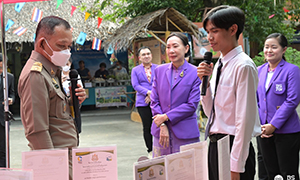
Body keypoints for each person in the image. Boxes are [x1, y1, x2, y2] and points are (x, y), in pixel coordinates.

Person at [18, 16, 86, 179]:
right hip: (55, 162)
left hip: (66, 157)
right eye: (61, 46)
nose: (66, 52)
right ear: (42, 43)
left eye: (68, 46)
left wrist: (73, 103)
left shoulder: (51, 71)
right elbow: (37, 131)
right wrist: (55, 170)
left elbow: (55, 114)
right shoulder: (36, 75)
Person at [197, 5, 261, 180]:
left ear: (233, 29)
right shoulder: (219, 63)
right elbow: (212, 113)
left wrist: (236, 165)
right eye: (208, 32)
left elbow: (244, 120)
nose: (209, 37)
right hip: (215, 144)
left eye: (214, 31)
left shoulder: (243, 66)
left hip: (233, 146)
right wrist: (206, 84)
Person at [257, 33, 300, 180]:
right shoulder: (259, 71)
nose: (269, 50)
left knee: (287, 173)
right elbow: (255, 100)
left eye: (274, 47)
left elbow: (292, 100)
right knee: (267, 173)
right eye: (266, 47)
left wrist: (273, 125)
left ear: (284, 49)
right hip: (263, 131)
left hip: (286, 132)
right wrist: (260, 126)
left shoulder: (292, 70)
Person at [150, 32, 201, 157]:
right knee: (162, 172)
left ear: (186, 48)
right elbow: (154, 101)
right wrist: (162, 124)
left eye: (175, 46)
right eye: (168, 47)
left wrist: (166, 117)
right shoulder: (159, 71)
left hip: (185, 134)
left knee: (186, 172)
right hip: (161, 133)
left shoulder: (196, 73)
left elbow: (191, 105)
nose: (171, 50)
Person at [131, 47, 158, 158]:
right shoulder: (135, 70)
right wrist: (148, 93)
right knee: (147, 127)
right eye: (143, 54)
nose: (146, 56)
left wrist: (153, 95)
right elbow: (136, 85)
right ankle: (150, 150)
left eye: (148, 53)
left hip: (157, 101)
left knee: (159, 125)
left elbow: (161, 83)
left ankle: (159, 148)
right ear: (139, 58)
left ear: (151, 55)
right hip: (143, 103)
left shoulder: (158, 68)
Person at [0, 56, 15, 167]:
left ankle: (4, 172)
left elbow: (13, 94)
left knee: (4, 149)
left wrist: (11, 99)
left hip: (3, 119)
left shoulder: (9, 77)